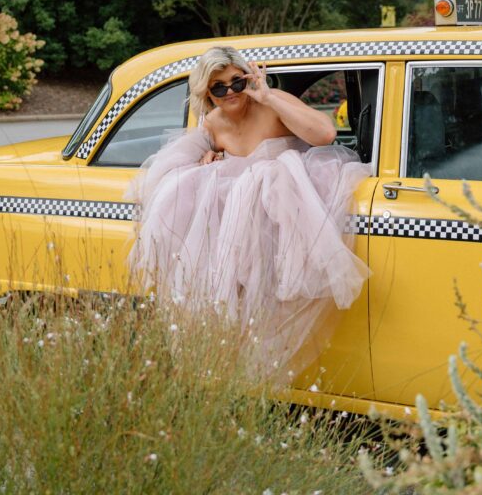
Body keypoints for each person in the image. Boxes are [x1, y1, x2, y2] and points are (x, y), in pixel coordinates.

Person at [126, 45, 371, 379]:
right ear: (207, 93)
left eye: (237, 82)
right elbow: (181, 165)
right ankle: (234, 376)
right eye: (219, 87)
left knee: (278, 299)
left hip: (285, 214)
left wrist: (268, 96)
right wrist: (207, 159)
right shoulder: (212, 124)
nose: (231, 92)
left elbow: (325, 134)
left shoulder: (272, 103)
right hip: (241, 236)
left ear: (248, 78)